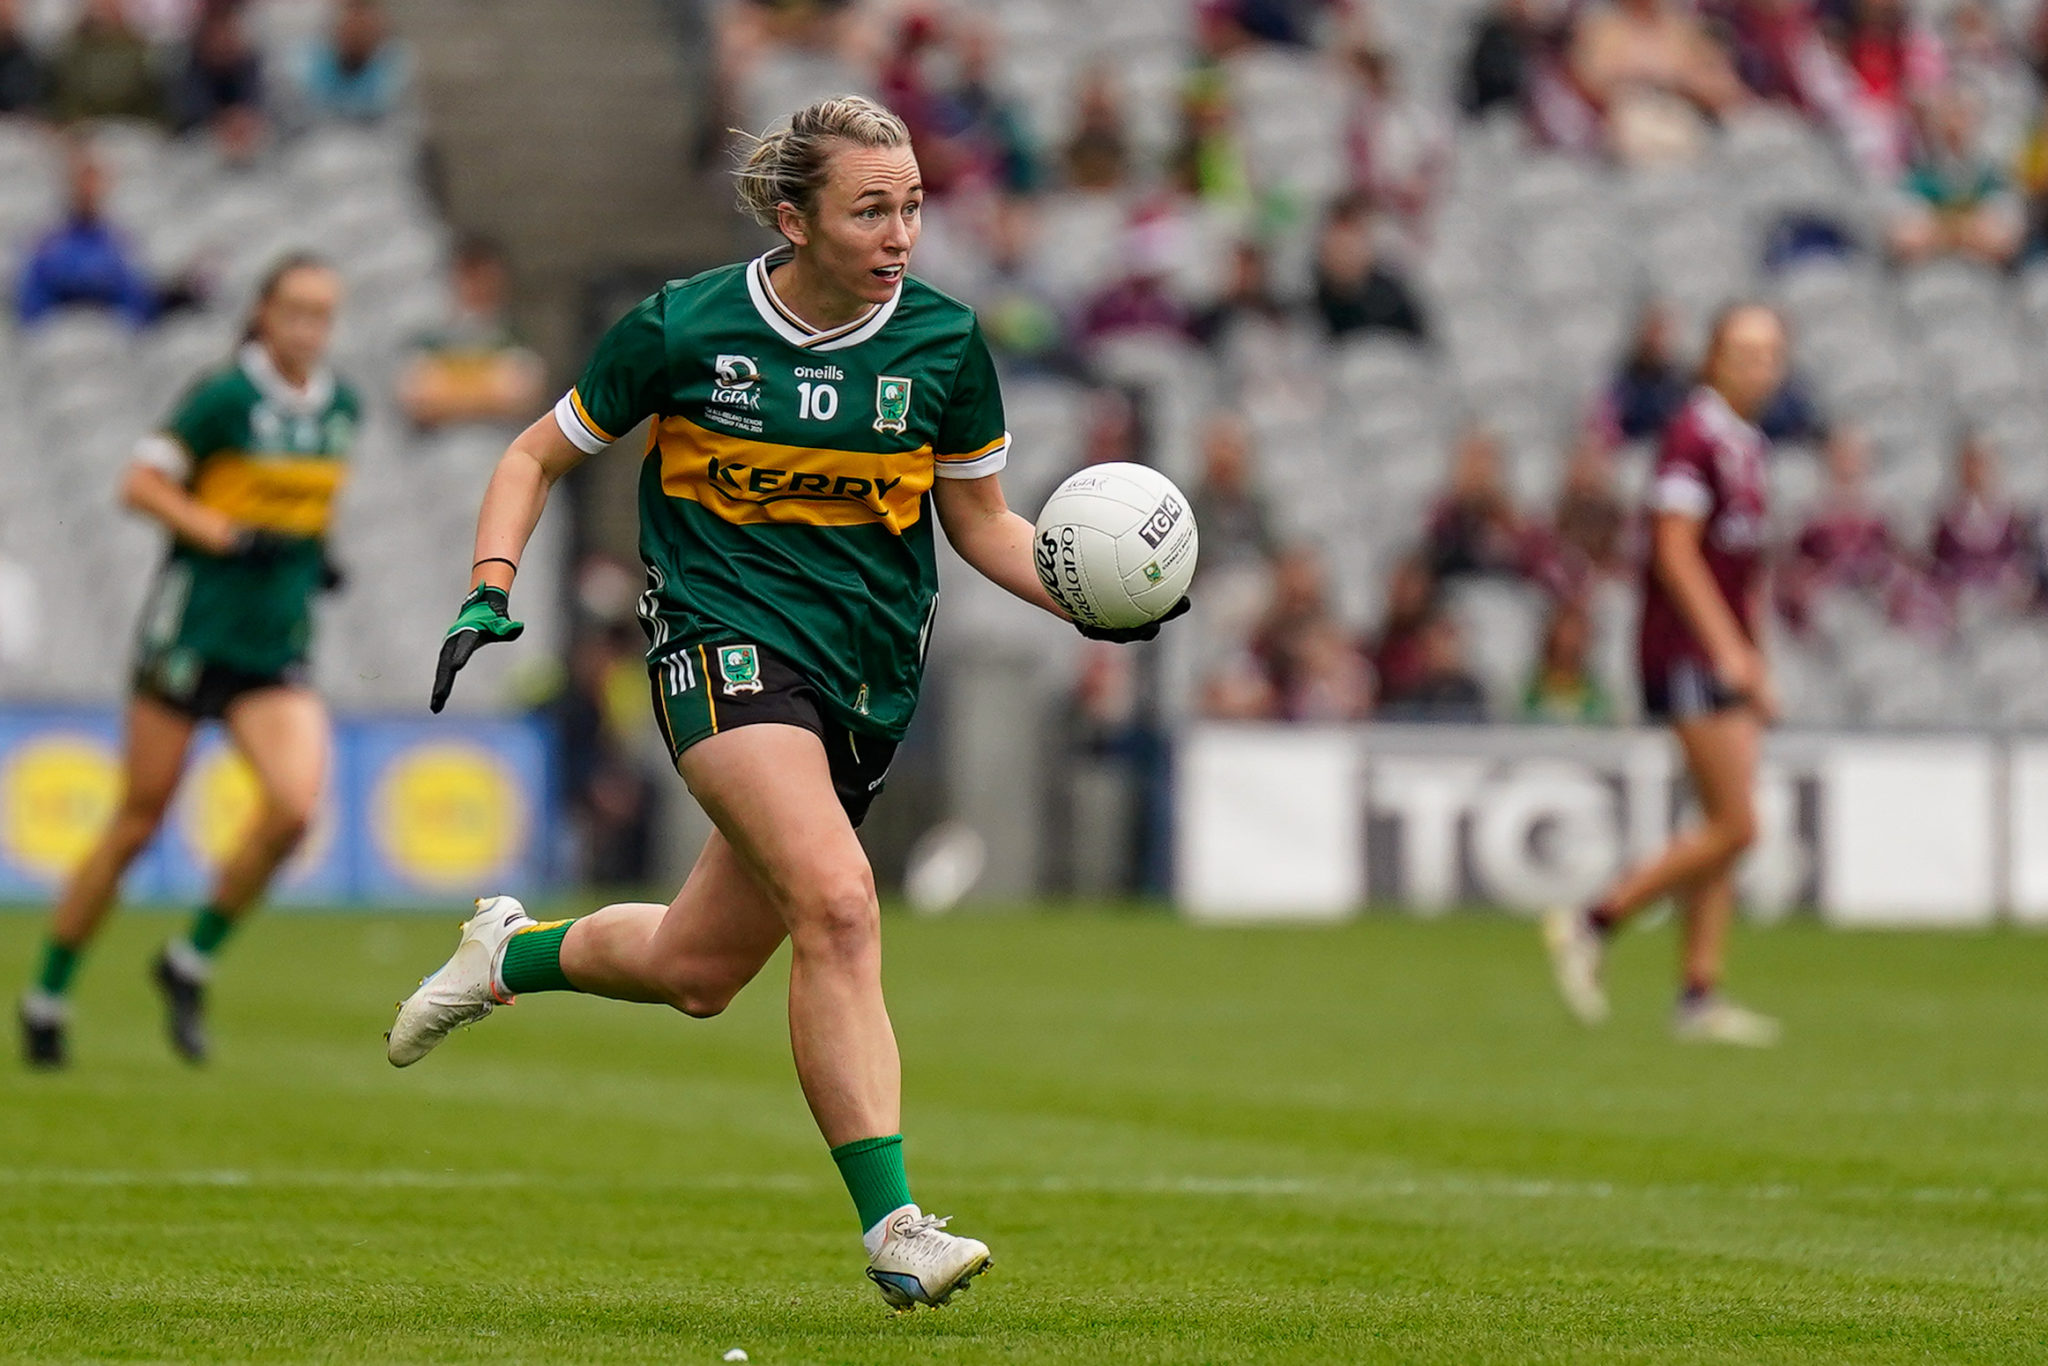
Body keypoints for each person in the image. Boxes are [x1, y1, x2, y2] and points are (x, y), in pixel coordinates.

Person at [383, 95, 1187, 1310]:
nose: (899, 232)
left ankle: (508, 953)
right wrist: (491, 585)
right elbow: (532, 454)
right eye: (870, 209)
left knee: (696, 970)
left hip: (863, 684)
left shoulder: (942, 348)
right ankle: (896, 1226)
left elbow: (981, 528)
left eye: (912, 205)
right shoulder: (681, 329)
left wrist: (1088, 599)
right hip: (720, 650)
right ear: (790, 215)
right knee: (841, 902)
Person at [18, 256, 356, 1069]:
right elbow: (139, 485)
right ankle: (47, 995)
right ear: (263, 315)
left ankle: (188, 958)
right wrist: (223, 534)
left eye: (322, 314)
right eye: (295, 311)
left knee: (294, 809)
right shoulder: (223, 400)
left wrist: (321, 554)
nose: (308, 329)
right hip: (192, 637)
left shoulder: (343, 406)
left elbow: (307, 502)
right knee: (138, 823)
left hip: (274, 647)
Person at [1542, 302, 1788, 1048]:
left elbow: (1744, 569)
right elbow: (1674, 553)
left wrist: (1756, 653)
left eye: (1771, 352)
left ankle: (1698, 992)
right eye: (1744, 352)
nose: (1760, 366)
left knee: (1722, 825)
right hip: (1685, 648)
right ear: (1713, 358)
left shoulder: (1745, 443)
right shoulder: (1694, 437)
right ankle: (1593, 921)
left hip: (1721, 647)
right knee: (1736, 824)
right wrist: (1730, 650)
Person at [396, 235, 545, 430]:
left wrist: (450, 397)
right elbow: (419, 403)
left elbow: (524, 400)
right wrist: (489, 396)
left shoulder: (514, 341)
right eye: (470, 276)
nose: (479, 286)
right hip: (439, 453)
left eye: (486, 277)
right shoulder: (429, 343)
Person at [16, 143, 157, 328]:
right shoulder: (47, 243)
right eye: (80, 181)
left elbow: (136, 302)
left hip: (111, 335)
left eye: (93, 182)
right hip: (59, 336)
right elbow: (32, 304)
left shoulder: (121, 242)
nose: (87, 190)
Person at [297, 0, 411, 125]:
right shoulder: (308, 66)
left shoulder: (396, 68)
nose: (357, 33)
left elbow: (403, 125)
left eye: (365, 28)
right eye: (351, 25)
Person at [1522, 599, 1613, 723]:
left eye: (1577, 636)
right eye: (1564, 634)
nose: (1569, 642)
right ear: (1551, 637)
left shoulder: (1599, 696)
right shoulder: (1528, 693)